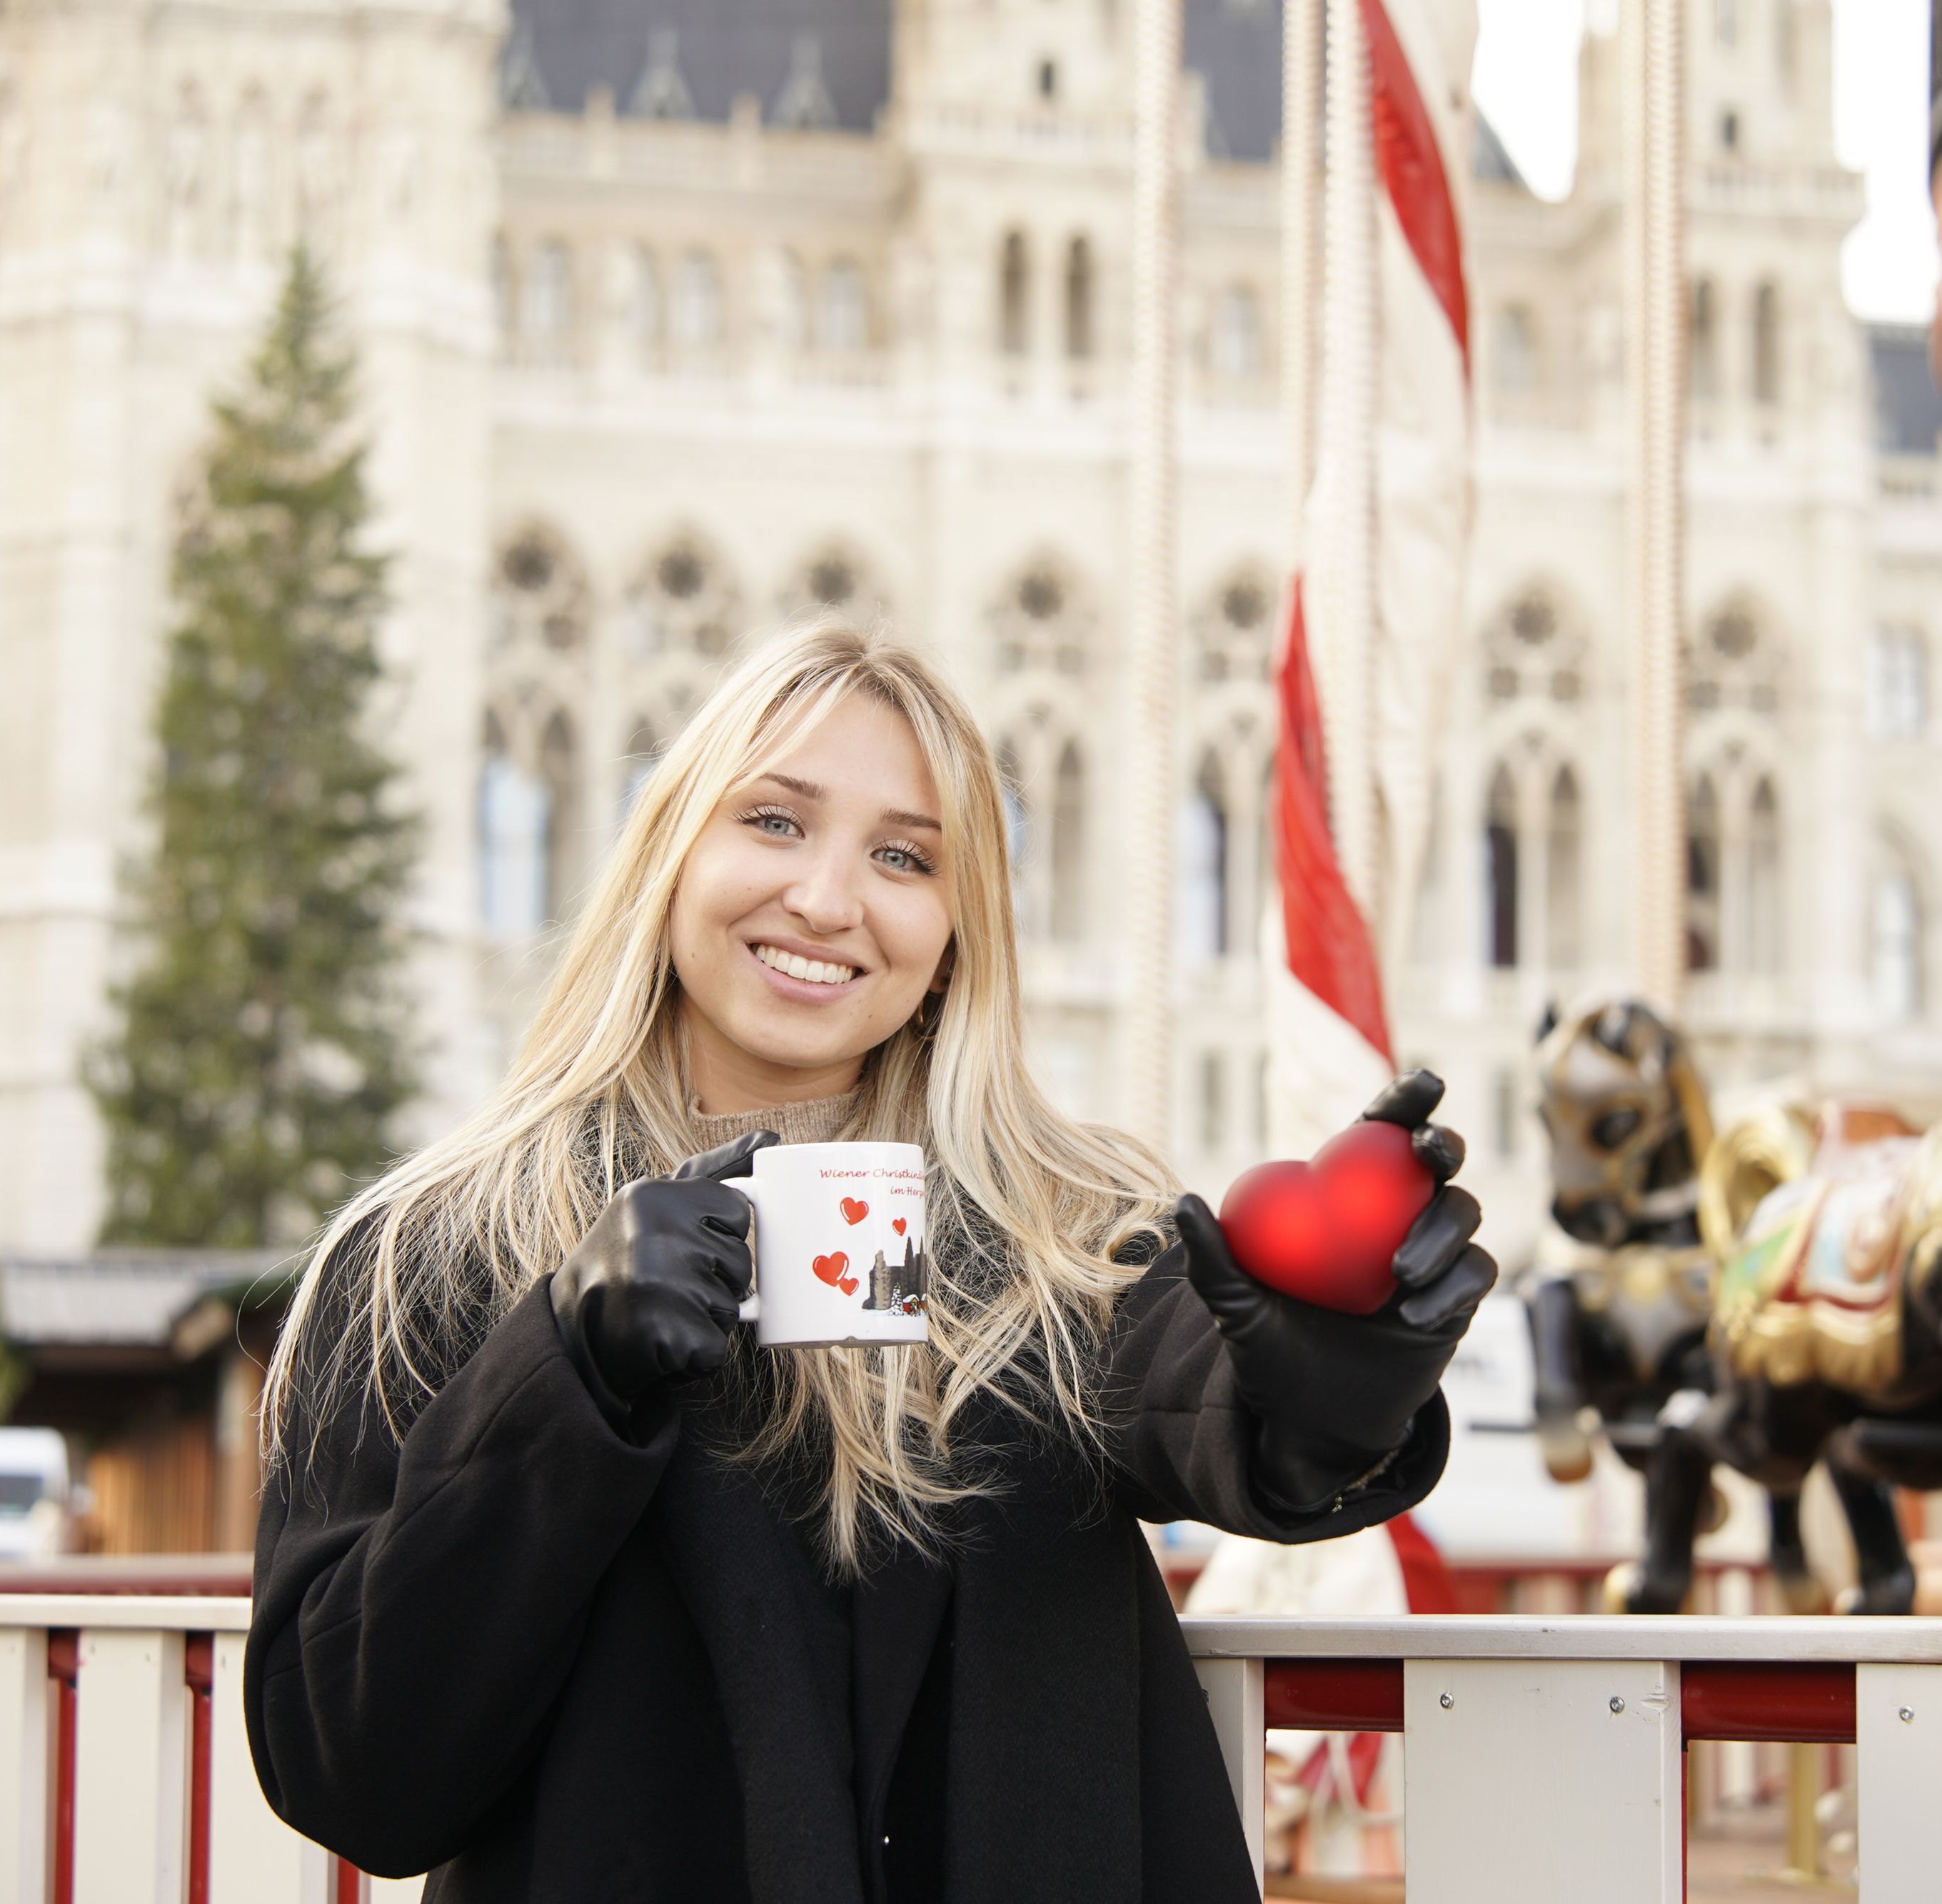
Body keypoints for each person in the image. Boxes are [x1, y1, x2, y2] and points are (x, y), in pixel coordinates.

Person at [246, 622, 1494, 1903]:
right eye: (776, 822)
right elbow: (352, 1770)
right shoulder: (430, 1255)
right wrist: (562, 1375)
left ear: (958, 932)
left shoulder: (1064, 1234)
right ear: (668, 850)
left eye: (903, 856)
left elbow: (1209, 1395)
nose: (830, 902)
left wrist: (1336, 1373)